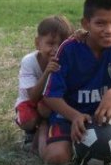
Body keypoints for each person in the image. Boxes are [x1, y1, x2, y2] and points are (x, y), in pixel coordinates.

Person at [38, 0, 111, 165]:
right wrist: (74, 116)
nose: (109, 30)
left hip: (102, 109)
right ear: (86, 23)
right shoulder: (68, 49)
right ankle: (43, 131)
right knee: (57, 158)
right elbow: (51, 96)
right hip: (70, 113)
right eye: (100, 23)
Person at [14, 16, 73, 150]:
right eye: (50, 43)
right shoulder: (29, 61)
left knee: (46, 108)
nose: (56, 49)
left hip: (52, 102)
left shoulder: (66, 60)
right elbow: (33, 96)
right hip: (31, 101)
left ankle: (47, 127)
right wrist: (47, 72)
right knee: (29, 120)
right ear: (37, 43)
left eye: (62, 44)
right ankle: (31, 132)